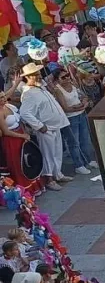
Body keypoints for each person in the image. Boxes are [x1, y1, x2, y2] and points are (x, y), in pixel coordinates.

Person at [18, 63, 72, 191]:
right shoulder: (29, 93)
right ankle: (49, 179)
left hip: (54, 125)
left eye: (38, 74)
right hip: (46, 127)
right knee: (48, 154)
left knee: (57, 151)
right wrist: (39, 126)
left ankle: (57, 174)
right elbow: (25, 113)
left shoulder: (40, 88)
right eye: (35, 75)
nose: (38, 76)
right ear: (28, 78)